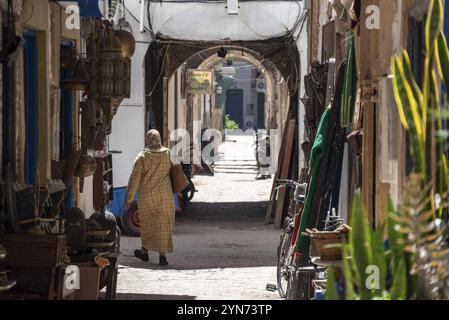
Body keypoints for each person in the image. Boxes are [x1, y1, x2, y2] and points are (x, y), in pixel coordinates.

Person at [125, 129, 175, 266]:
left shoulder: (142, 156)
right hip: (165, 196)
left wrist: (128, 199)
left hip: (147, 196)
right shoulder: (167, 153)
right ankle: (161, 255)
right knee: (163, 225)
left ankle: (145, 252)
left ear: (147, 140)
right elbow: (174, 171)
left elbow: (134, 179)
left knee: (147, 225)